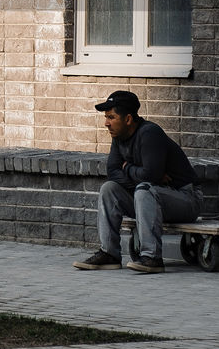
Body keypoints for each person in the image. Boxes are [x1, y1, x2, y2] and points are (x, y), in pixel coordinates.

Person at [73, 90, 201, 273]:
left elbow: (149, 176)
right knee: (109, 189)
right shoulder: (119, 137)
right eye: (106, 117)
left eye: (111, 117)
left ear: (128, 119)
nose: (106, 123)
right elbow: (113, 172)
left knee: (144, 189)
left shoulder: (149, 133)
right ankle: (109, 254)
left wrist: (128, 168)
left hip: (186, 199)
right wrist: (140, 174)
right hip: (150, 197)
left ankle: (151, 257)